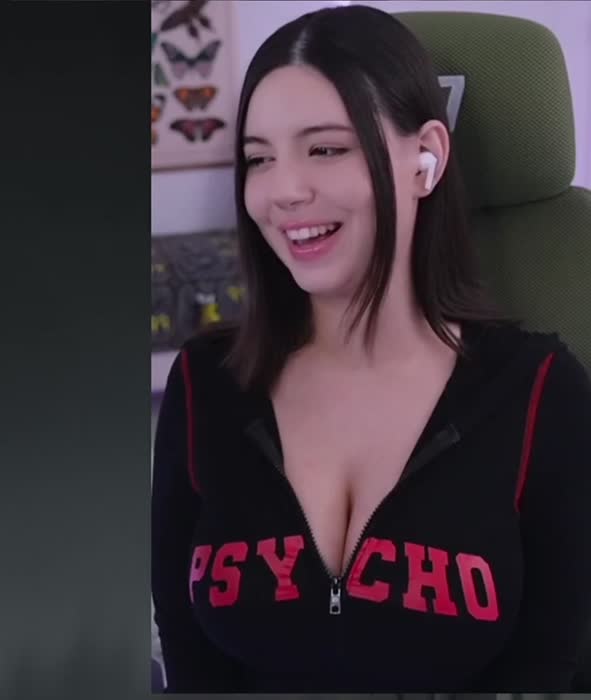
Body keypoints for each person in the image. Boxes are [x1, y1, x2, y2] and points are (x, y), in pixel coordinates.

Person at [151, 5, 591, 693]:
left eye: (326, 149)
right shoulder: (204, 383)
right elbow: (190, 662)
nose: (283, 191)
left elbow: (549, 666)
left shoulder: (540, 391)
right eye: (259, 159)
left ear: (426, 159)